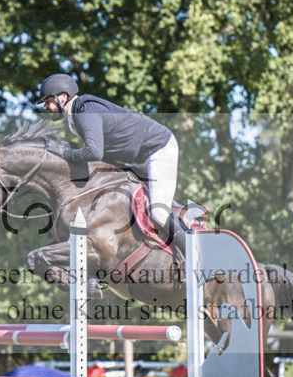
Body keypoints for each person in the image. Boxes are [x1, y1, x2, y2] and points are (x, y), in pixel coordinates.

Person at [36, 73, 186, 250]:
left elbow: (94, 152)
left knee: (159, 212)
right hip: (139, 156)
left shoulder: (85, 113)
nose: (45, 106)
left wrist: (64, 153)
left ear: (62, 97)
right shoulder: (79, 114)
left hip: (158, 148)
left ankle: (194, 258)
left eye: (48, 101)